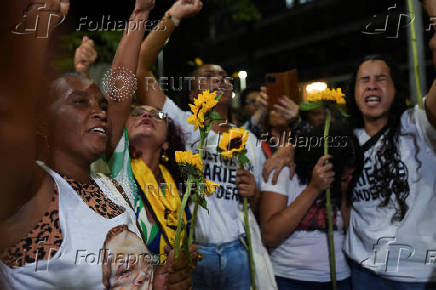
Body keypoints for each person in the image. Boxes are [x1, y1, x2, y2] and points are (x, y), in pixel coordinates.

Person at [0, 0, 195, 288]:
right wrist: (44, 15)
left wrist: (155, 281)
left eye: (101, 105)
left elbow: (120, 93)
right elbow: (14, 106)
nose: (100, 111)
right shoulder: (30, 192)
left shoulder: (111, 186)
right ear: (42, 121)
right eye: (79, 102)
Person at [133, 1, 277, 288]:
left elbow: (258, 209)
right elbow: (138, 66)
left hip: (239, 250)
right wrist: (172, 17)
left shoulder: (249, 141)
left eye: (224, 77)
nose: (218, 81)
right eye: (208, 76)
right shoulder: (182, 123)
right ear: (192, 93)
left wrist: (254, 194)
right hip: (194, 250)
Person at [74, 32, 192, 260]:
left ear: (167, 141)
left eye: (156, 114)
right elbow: (117, 97)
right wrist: (82, 74)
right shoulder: (113, 162)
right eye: (137, 112)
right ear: (122, 129)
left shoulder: (178, 180)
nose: (146, 114)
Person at [260, 125, 360, 290]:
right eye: (342, 174)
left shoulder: (346, 178)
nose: (347, 177)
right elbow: (270, 235)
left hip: (338, 277)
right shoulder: (283, 170)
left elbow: (351, 232)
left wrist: (344, 193)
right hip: (289, 277)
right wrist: (314, 188)